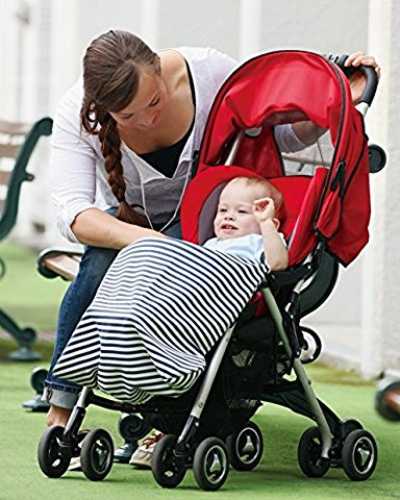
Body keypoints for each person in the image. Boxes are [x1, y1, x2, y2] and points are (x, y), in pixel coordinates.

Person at [43, 28, 381, 468]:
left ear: (160, 69)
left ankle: (169, 414)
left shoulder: (210, 73)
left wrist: (338, 99)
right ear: (103, 109)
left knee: (181, 292)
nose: (147, 120)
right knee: (99, 267)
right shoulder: (76, 111)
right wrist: (153, 243)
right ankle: (62, 415)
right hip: (129, 228)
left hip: (206, 223)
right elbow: (73, 214)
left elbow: (278, 137)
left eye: (154, 102)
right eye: (128, 115)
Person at [204, 176, 288, 270]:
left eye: (242, 211)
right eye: (223, 210)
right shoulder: (210, 243)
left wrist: (266, 223)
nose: (228, 216)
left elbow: (278, 264)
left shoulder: (261, 242)